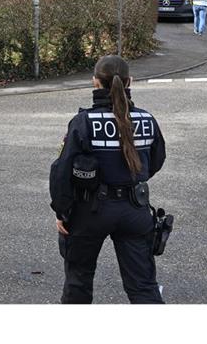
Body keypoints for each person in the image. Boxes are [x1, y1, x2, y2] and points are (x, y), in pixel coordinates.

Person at [49, 55, 167, 304]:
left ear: (95, 82)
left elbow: (61, 171)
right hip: (135, 210)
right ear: (129, 81)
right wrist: (131, 179)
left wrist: (62, 212)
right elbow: (156, 160)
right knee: (143, 287)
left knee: (78, 284)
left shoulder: (83, 122)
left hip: (90, 211)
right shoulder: (147, 119)